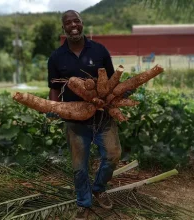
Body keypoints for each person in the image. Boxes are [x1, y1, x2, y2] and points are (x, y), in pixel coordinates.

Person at [47, 10, 122, 220]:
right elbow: (53, 86)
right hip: (74, 122)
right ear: (63, 28)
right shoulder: (56, 57)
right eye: (68, 22)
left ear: (82, 23)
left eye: (76, 21)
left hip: (102, 118)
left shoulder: (99, 51)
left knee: (113, 155)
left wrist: (118, 95)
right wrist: (54, 107)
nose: (73, 25)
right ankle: (84, 202)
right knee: (79, 168)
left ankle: (99, 188)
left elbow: (111, 82)